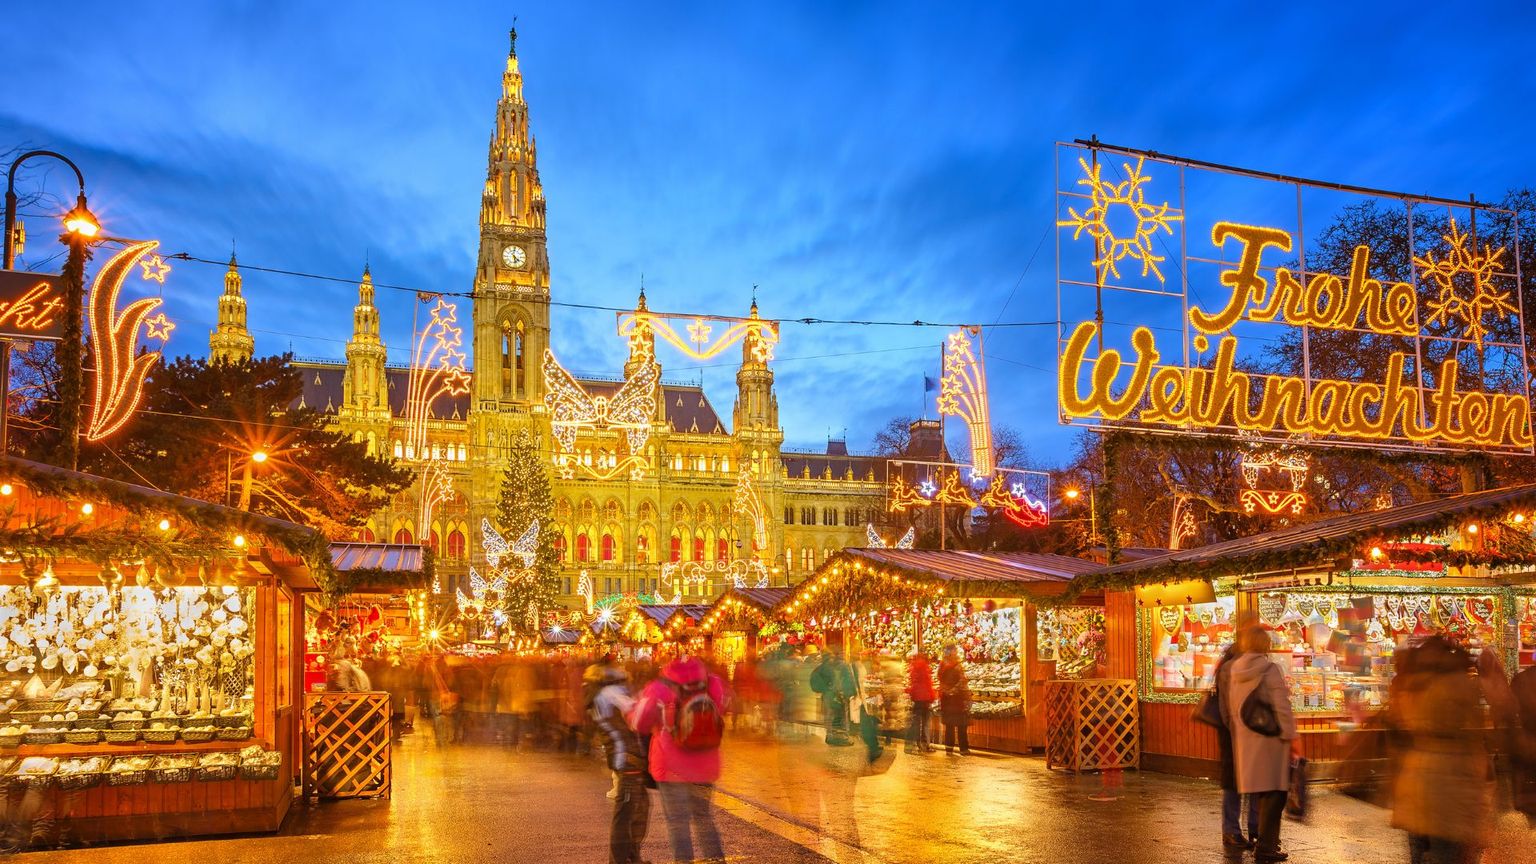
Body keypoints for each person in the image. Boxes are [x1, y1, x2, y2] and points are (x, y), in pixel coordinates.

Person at [1388, 635, 1492, 863]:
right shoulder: (1460, 684)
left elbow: (1399, 724)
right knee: (1449, 852)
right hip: (1452, 782)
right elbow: (1473, 731)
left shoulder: (1408, 684)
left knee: (1418, 848)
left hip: (1415, 778)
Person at [631, 654, 728, 864]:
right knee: (704, 818)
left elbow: (640, 722)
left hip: (671, 768)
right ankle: (717, 860)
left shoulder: (659, 687)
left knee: (677, 822)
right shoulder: (712, 682)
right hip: (705, 766)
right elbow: (723, 706)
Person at [1225, 626, 1297, 864]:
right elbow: (1282, 706)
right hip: (1270, 740)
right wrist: (1290, 735)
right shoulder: (1269, 669)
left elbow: (1233, 707)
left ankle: (1265, 843)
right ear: (1265, 644)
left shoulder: (1235, 668)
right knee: (1274, 795)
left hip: (1247, 739)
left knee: (1262, 793)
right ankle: (1266, 846)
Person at [587, 661, 649, 864]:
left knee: (637, 809)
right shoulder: (610, 693)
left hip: (624, 757)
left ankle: (631, 855)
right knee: (627, 813)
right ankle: (620, 859)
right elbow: (638, 714)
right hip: (627, 758)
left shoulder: (599, 695)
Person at [1212, 642, 1258, 851]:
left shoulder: (1228, 668)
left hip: (1237, 733)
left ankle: (1241, 830)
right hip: (1237, 735)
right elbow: (1228, 707)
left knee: (1241, 783)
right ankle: (1237, 830)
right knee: (1238, 784)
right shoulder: (1231, 670)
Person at [809, 647, 857, 746]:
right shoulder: (840, 666)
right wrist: (850, 693)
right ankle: (842, 738)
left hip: (827, 695)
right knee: (841, 716)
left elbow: (814, 680)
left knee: (829, 716)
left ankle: (830, 736)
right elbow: (848, 680)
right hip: (839, 695)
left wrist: (824, 689)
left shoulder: (820, 667)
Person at [1513, 661, 1536, 828]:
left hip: (1527, 731)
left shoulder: (1522, 678)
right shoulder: (1523, 678)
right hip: (1529, 732)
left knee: (1526, 767)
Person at [937, 645, 971, 755]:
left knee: (949, 726)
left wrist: (946, 691)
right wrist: (955, 691)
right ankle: (963, 749)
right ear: (952, 652)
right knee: (961, 725)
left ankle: (949, 749)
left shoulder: (941, 665)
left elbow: (940, 681)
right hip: (957, 700)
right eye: (955, 650)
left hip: (946, 701)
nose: (956, 652)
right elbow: (962, 681)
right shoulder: (957, 666)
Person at [906, 652, 935, 754]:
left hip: (917, 699)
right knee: (926, 723)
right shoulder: (925, 669)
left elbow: (913, 684)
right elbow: (928, 684)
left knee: (916, 723)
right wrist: (932, 696)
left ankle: (916, 745)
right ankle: (925, 745)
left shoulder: (913, 669)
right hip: (925, 698)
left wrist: (912, 695)